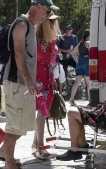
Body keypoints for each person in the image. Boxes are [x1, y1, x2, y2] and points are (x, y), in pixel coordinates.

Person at [0, 0, 59, 169]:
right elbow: (18, 54)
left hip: (22, 83)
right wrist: (29, 80)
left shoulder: (30, 25)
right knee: (15, 126)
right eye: (46, 11)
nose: (46, 16)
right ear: (38, 6)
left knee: (22, 125)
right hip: (16, 83)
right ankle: (9, 163)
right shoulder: (22, 24)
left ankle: (6, 156)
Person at [31, 12, 61, 160]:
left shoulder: (51, 40)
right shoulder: (35, 40)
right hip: (37, 78)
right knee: (42, 112)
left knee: (42, 112)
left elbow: (50, 61)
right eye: (51, 22)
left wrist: (53, 78)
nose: (54, 25)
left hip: (47, 77)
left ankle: (35, 144)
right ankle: (40, 147)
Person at [69, 29, 90, 105]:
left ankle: (71, 99)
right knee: (88, 82)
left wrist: (76, 60)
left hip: (79, 61)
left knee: (77, 82)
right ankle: (90, 100)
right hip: (87, 61)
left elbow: (73, 53)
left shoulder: (80, 43)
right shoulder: (88, 42)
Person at [57, 24, 78, 93]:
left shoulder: (75, 37)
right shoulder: (61, 37)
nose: (68, 30)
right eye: (67, 28)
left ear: (72, 30)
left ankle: (78, 86)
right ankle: (61, 92)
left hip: (72, 57)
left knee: (79, 68)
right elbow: (56, 49)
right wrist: (66, 51)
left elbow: (76, 47)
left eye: (69, 29)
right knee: (63, 74)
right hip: (63, 58)